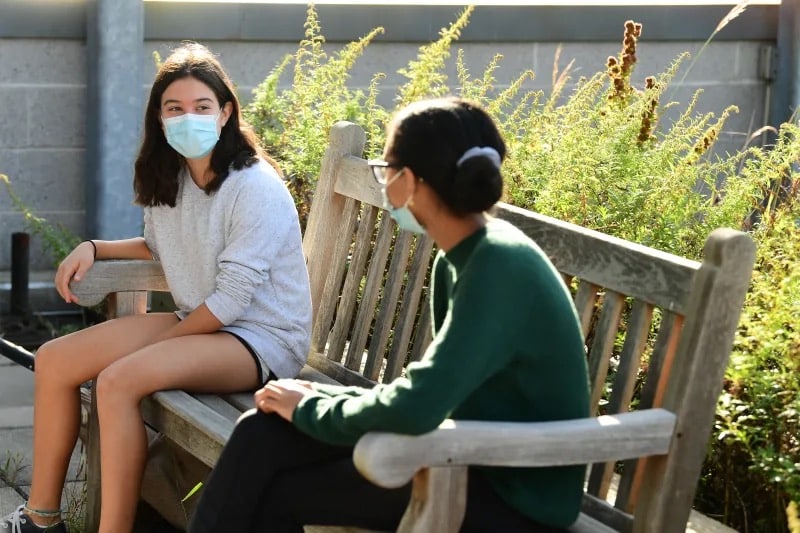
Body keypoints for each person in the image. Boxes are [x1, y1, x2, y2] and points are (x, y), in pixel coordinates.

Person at [186, 96, 591, 533]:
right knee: (263, 431)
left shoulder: (498, 265)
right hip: (462, 453)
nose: (384, 183)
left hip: (512, 491)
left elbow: (420, 406)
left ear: (412, 181)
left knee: (282, 486)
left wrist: (312, 408)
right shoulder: (461, 259)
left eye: (386, 169)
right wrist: (317, 399)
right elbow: (432, 391)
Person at [0, 42, 312, 533]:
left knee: (118, 380)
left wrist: (158, 346)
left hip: (260, 339)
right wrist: (96, 247)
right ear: (160, 119)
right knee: (56, 361)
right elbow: (158, 248)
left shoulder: (254, 187)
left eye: (202, 107)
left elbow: (232, 300)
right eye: (175, 109)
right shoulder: (173, 177)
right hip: (203, 323)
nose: (189, 118)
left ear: (226, 112)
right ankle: (42, 519)